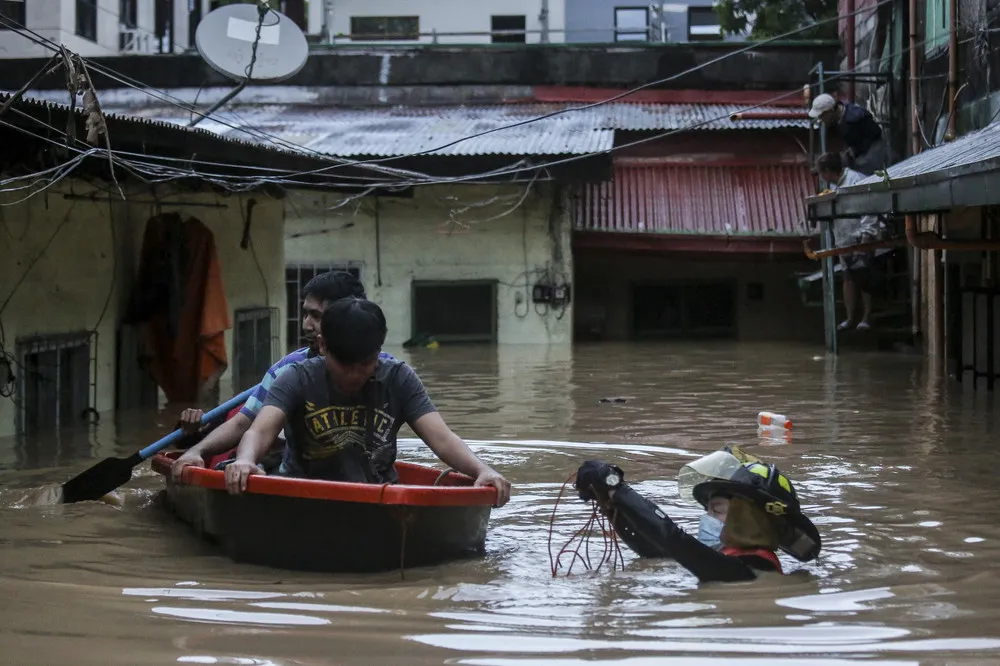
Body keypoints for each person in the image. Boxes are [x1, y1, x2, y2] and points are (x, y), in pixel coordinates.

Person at [223, 296, 512, 507]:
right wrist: (246, 460)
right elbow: (259, 431)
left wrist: (482, 470)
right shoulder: (295, 377)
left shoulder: (398, 378)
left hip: (378, 495)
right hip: (303, 494)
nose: (354, 375)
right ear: (322, 346)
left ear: (379, 350)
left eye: (365, 364)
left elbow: (442, 438)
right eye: (344, 364)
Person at [170, 271, 396, 480]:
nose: (306, 325)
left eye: (316, 316)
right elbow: (244, 425)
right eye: (305, 314)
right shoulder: (289, 370)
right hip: (302, 475)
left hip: (367, 475)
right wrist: (197, 451)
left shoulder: (393, 373)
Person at [573, 447, 821, 583]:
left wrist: (617, 488)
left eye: (717, 510)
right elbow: (658, 552)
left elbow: (674, 540)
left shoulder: (747, 571)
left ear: (749, 517)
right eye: (707, 509)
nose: (707, 518)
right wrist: (612, 505)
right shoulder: (728, 557)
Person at [816, 151, 888, 331]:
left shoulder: (856, 180)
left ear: (828, 171)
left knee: (864, 278)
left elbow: (869, 207)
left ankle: (867, 316)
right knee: (848, 278)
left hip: (860, 236)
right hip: (844, 238)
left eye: (822, 172)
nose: (821, 177)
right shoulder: (833, 187)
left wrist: (866, 235)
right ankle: (850, 318)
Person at [808, 93, 890, 176]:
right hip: (861, 153)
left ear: (831, 110)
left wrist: (855, 149)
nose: (821, 119)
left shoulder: (856, 117)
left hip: (874, 154)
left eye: (822, 116)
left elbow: (875, 135)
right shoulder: (838, 118)